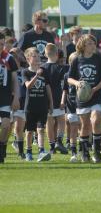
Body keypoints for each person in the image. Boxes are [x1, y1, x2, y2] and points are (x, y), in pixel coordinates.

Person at [68, 34, 101, 163]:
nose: (93, 45)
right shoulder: (77, 59)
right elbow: (69, 78)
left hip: (95, 94)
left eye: (93, 43)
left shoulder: (98, 58)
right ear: (83, 45)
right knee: (85, 125)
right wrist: (77, 84)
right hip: (82, 97)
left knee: (96, 120)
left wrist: (94, 89)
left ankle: (97, 153)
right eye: (90, 43)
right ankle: (85, 152)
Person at [23, 47, 53, 162]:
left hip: (42, 105)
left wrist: (51, 103)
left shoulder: (44, 71)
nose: (37, 58)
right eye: (34, 56)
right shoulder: (26, 71)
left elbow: (48, 88)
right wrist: (36, 75)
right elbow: (28, 86)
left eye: (38, 56)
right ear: (28, 59)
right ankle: (29, 151)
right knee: (30, 131)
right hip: (30, 106)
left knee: (41, 129)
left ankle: (41, 151)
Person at [41, 43, 69, 155]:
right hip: (58, 97)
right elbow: (65, 85)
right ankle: (59, 141)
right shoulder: (61, 67)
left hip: (46, 99)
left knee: (50, 122)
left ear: (45, 54)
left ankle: (52, 146)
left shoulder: (42, 68)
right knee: (61, 120)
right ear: (57, 54)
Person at [0, 34, 19, 163]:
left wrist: (16, 97)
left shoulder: (9, 58)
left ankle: (2, 147)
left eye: (2, 44)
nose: (1, 46)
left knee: (6, 125)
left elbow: (15, 80)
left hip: (5, 97)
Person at [61, 52, 80, 162]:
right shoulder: (67, 75)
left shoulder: (83, 74)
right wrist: (62, 101)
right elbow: (65, 90)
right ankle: (73, 152)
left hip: (82, 105)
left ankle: (83, 149)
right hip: (71, 105)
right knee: (73, 128)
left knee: (82, 127)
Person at [9, 47, 27, 159]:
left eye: (19, 53)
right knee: (7, 126)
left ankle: (21, 152)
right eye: (14, 55)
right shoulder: (8, 70)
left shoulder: (25, 71)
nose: (18, 56)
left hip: (22, 102)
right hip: (9, 102)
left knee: (19, 128)